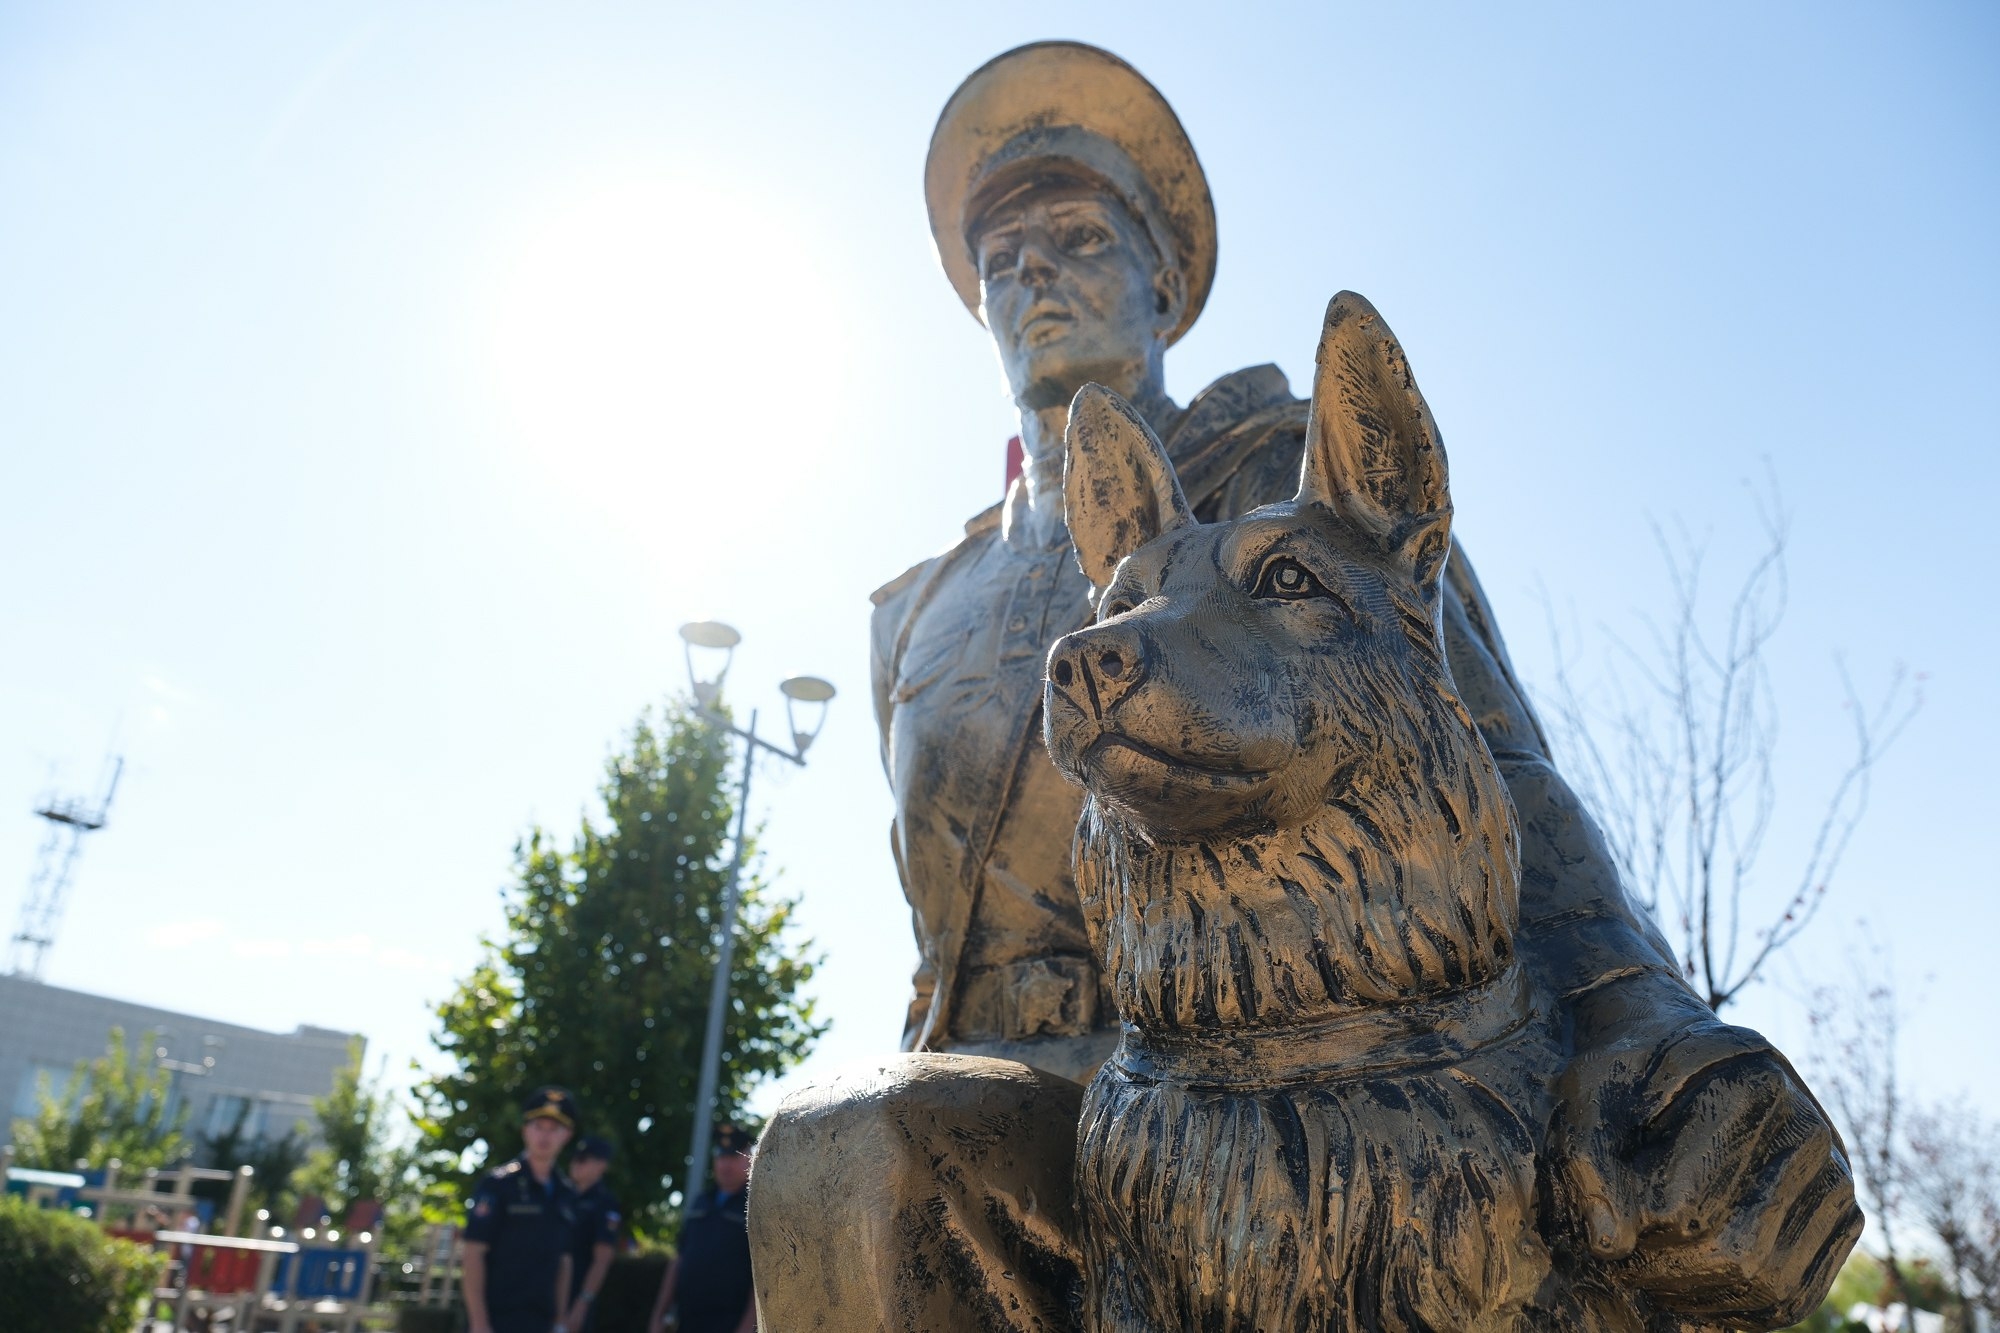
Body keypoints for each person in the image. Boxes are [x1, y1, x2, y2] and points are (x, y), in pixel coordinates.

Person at [749, 39, 1860, 1331]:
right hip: (979, 1106)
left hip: (1237, 1078)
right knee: (849, 1157)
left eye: (1077, 237)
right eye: (1001, 261)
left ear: (1163, 281)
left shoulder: (1287, 478)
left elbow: (1493, 766)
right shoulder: (921, 609)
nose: (1031, 272)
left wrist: (1636, 1019)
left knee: (858, 1149)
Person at [462, 1086, 580, 1333]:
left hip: (541, 1321)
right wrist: (479, 1322)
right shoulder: (498, 1184)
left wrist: (560, 1321)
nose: (544, 1136)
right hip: (497, 1318)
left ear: (567, 1135)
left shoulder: (566, 1194)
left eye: (554, 1129)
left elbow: (564, 1261)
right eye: (538, 1126)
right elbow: (473, 1253)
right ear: (525, 1129)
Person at [648, 1126, 754, 1333]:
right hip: (687, 1321)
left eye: (733, 1156)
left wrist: (747, 1328)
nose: (725, 1164)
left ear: (748, 1159)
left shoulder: (756, 1206)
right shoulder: (701, 1202)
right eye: (721, 1156)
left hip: (729, 1323)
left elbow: (761, 1279)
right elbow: (679, 1260)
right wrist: (658, 1315)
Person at [560, 1136, 622, 1333]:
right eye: (575, 1158)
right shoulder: (561, 1197)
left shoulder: (605, 1204)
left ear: (601, 1165)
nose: (576, 1164)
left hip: (575, 1294)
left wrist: (582, 1303)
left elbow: (602, 1259)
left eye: (583, 1160)